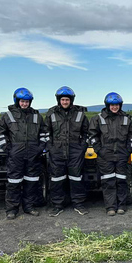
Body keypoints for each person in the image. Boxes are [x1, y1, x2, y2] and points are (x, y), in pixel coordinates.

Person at [0, 88, 47, 220]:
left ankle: (29, 207)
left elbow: (44, 133)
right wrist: (8, 149)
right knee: (14, 182)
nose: (25, 104)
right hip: (16, 155)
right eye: (22, 101)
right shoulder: (8, 116)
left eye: (27, 102)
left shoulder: (37, 116)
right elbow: (1, 133)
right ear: (17, 101)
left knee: (32, 182)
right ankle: (12, 209)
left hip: (33, 154)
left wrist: (40, 148)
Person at [88, 92, 132, 215]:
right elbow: (93, 136)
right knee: (108, 182)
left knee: (121, 181)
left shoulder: (126, 119)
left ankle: (121, 205)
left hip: (121, 155)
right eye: (112, 105)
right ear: (107, 105)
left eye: (117, 105)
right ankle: (110, 207)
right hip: (105, 156)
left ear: (120, 105)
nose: (115, 107)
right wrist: (99, 150)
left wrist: (128, 151)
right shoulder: (98, 119)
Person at [45, 86, 89, 216]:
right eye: (63, 99)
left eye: (67, 99)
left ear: (71, 100)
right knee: (57, 179)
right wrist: (51, 148)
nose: (65, 102)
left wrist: (82, 147)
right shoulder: (51, 114)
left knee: (76, 178)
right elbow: (46, 133)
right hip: (57, 151)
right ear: (59, 100)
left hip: (75, 151)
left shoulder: (80, 114)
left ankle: (78, 204)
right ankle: (57, 205)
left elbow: (87, 132)